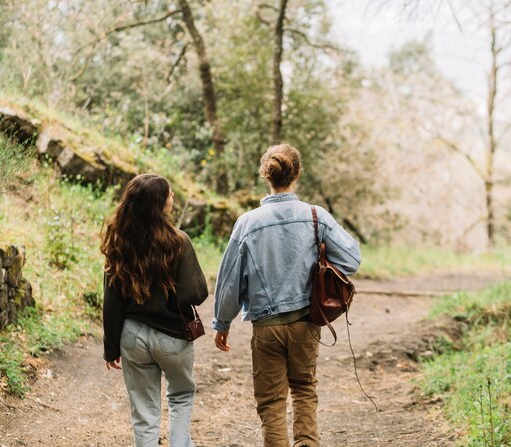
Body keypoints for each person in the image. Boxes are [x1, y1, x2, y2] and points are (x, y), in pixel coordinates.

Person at [212, 144, 361, 447]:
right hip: (306, 324)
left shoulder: (247, 223)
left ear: (266, 176)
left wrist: (222, 323)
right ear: (297, 173)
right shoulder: (316, 216)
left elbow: (229, 280)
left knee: (271, 403)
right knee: (305, 390)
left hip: (266, 329)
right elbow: (351, 259)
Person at [101, 173, 208, 447]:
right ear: (159, 203)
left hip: (133, 336)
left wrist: (111, 348)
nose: (173, 197)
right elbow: (197, 292)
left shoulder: (119, 243)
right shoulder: (179, 241)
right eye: (170, 194)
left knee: (144, 412)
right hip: (173, 336)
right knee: (181, 396)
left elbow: (112, 301)